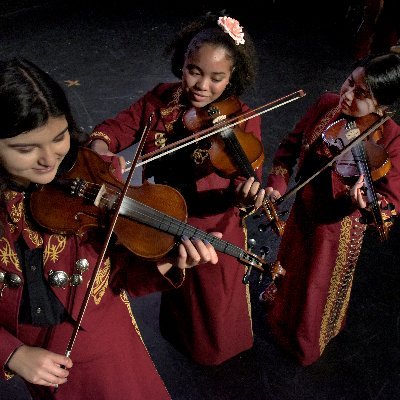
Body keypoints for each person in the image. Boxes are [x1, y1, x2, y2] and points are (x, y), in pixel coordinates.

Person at [0, 57, 221, 400]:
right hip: (39, 359)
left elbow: (118, 278)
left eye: (59, 138)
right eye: (26, 149)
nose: (49, 159)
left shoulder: (91, 175)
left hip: (110, 343)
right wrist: (11, 353)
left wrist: (167, 261)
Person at [89, 12, 265, 366]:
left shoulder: (242, 117)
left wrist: (245, 195)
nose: (202, 86)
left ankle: (218, 350)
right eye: (194, 71)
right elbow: (118, 126)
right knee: (179, 288)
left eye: (217, 78)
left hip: (214, 224)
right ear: (182, 63)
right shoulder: (161, 100)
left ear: (233, 76)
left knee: (215, 297)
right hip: (165, 214)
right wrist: (101, 146)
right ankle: (182, 340)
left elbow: (243, 179)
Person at [261, 52, 400, 366]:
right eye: (349, 82)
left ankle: (305, 344)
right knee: (290, 264)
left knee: (316, 286)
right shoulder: (327, 103)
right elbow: (289, 147)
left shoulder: (392, 138)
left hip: (337, 230)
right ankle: (279, 306)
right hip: (303, 209)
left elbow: (391, 201)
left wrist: (367, 204)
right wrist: (277, 184)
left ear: (383, 106)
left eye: (361, 95)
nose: (347, 96)